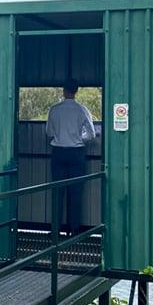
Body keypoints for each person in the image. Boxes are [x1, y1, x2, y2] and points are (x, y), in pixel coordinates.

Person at [45, 79, 98, 235]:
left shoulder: (54, 110)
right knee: (75, 192)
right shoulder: (82, 110)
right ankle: (74, 230)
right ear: (76, 91)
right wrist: (79, 138)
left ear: (63, 90)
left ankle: (55, 230)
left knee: (57, 191)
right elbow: (91, 134)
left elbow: (49, 132)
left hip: (58, 152)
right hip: (77, 153)